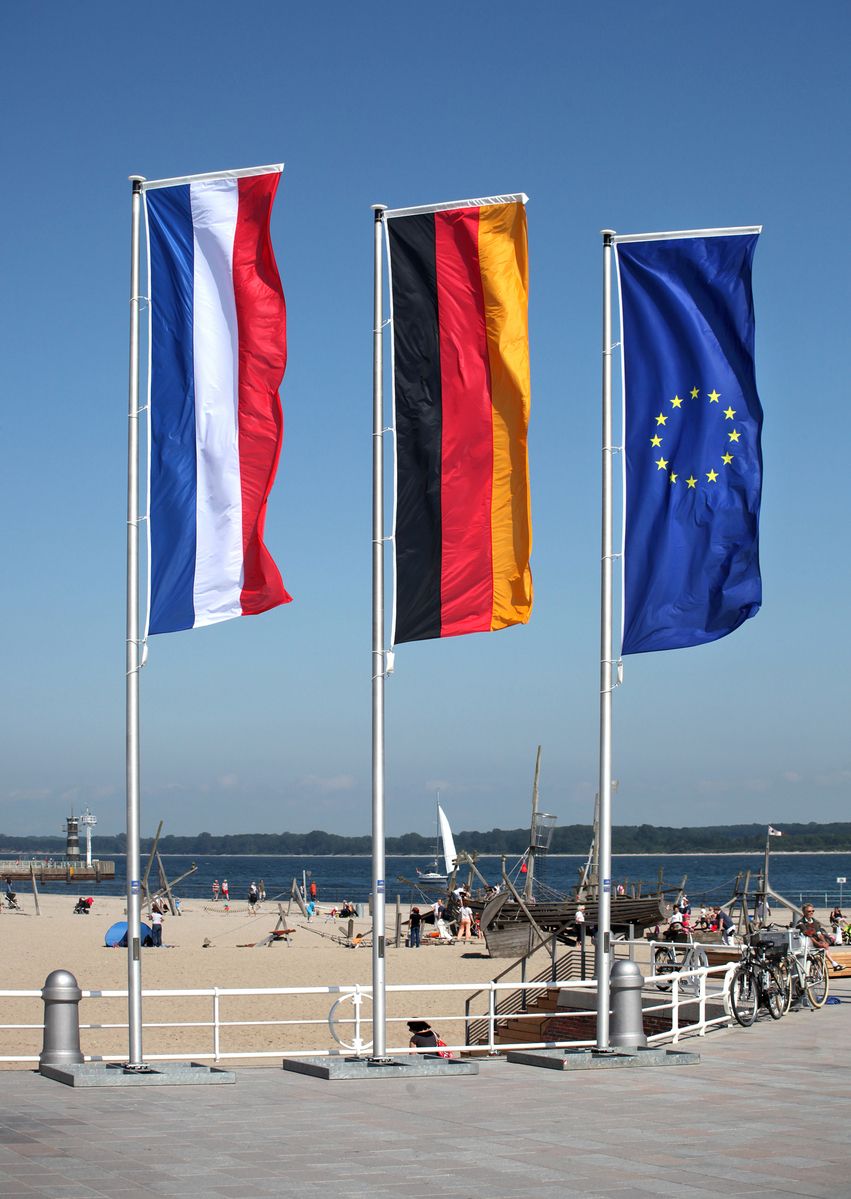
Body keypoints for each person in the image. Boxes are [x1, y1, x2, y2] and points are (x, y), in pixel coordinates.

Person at [797, 904, 845, 971]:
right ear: (804, 912)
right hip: (806, 943)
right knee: (821, 945)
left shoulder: (815, 922)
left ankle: (834, 964)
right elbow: (808, 935)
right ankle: (834, 963)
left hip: (814, 941)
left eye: (812, 911)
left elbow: (819, 934)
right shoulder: (801, 923)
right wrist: (818, 943)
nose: (811, 912)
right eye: (809, 911)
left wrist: (824, 942)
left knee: (824, 946)